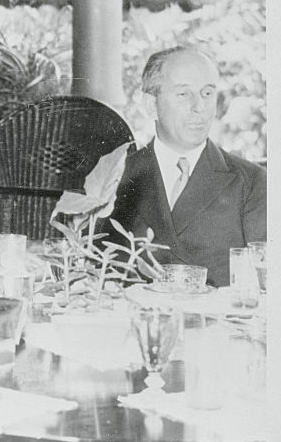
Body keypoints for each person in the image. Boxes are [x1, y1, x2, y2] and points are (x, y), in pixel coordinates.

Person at [107, 47, 266, 287]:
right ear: (150, 104)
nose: (199, 106)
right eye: (183, 94)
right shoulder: (113, 177)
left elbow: (265, 287)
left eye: (207, 93)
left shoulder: (252, 182)